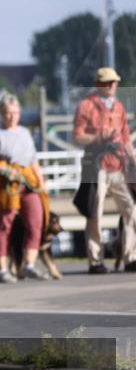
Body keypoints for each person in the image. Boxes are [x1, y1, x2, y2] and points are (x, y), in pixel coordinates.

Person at [72, 67, 136, 273]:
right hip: (96, 166)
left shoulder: (118, 107)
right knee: (95, 213)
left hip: (117, 165)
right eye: (107, 82)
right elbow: (78, 136)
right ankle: (96, 260)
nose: (111, 86)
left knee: (131, 210)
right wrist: (99, 138)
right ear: (98, 84)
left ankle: (130, 256)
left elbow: (126, 137)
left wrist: (133, 161)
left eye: (114, 82)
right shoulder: (86, 106)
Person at [0, 94, 47, 282]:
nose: (12, 116)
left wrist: (41, 182)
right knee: (4, 225)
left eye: (15, 112)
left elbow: (33, 159)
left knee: (36, 222)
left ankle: (29, 265)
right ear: (1, 114)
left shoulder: (25, 133)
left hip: (28, 181)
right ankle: (2, 269)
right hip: (6, 184)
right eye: (8, 113)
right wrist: (4, 171)